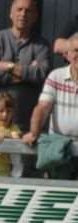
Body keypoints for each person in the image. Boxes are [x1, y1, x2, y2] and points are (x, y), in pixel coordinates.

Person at [0, 0, 51, 177]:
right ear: (11, 13)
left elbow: (41, 74)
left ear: (35, 16)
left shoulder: (41, 45)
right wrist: (27, 72)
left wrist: (9, 67)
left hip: (26, 125)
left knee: (25, 174)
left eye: (29, 11)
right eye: (19, 9)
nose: (23, 14)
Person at [23, 33, 78, 179]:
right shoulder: (56, 76)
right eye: (76, 51)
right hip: (58, 149)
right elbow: (42, 108)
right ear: (67, 55)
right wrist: (34, 133)